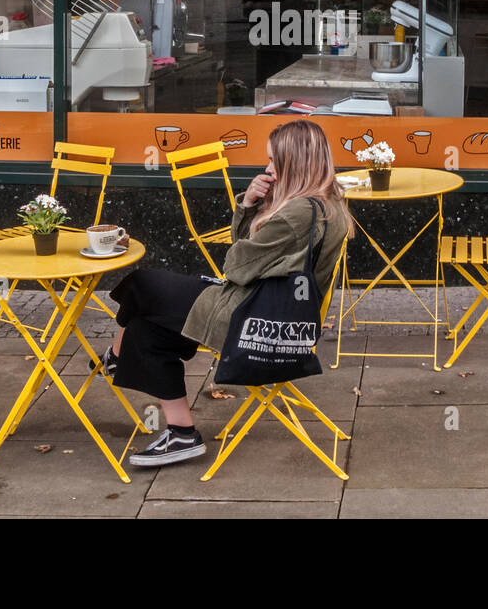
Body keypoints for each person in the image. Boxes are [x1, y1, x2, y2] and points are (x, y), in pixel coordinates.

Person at [100, 119, 352, 468]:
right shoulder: (330, 204)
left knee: (144, 283)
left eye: (274, 162)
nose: (268, 169)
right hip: (280, 314)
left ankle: (114, 356)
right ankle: (181, 434)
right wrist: (252, 204)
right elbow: (251, 259)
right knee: (145, 329)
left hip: (250, 317)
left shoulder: (296, 214)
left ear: (296, 163)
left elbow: (235, 264)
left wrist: (254, 208)